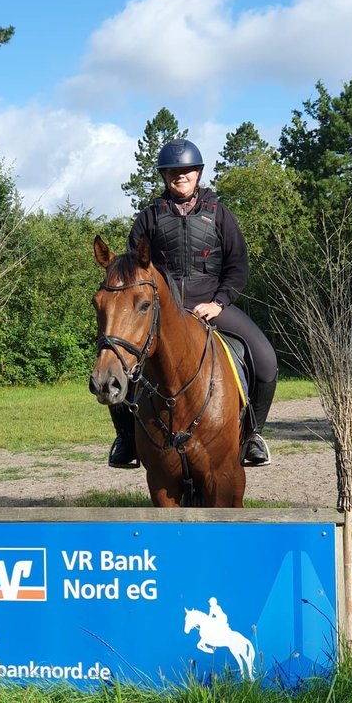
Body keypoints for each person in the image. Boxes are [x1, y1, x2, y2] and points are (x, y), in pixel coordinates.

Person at [107, 137, 278, 469]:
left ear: (198, 173)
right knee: (118, 356)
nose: (179, 176)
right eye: (172, 172)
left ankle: (253, 436)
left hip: (211, 306)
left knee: (266, 360)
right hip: (161, 314)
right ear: (164, 177)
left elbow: (237, 266)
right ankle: (126, 439)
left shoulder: (220, 215)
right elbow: (132, 270)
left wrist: (219, 303)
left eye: (186, 171)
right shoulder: (149, 218)